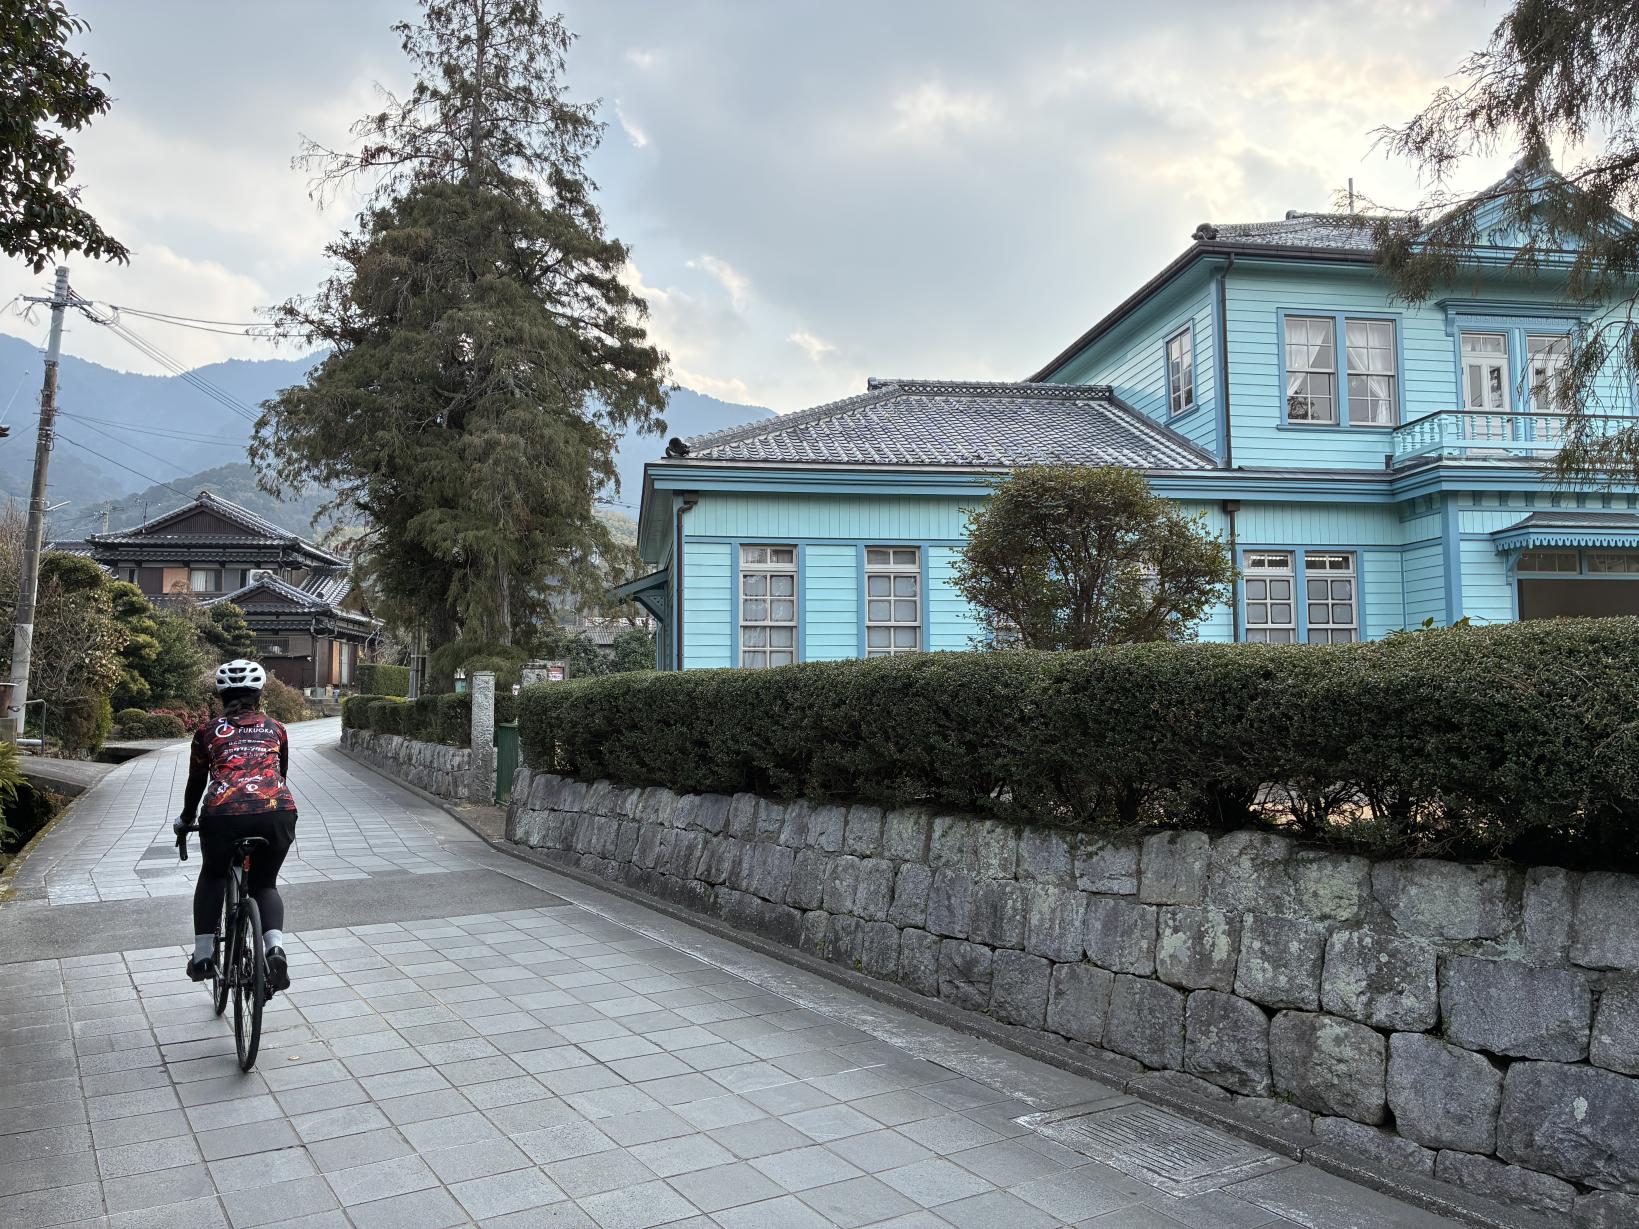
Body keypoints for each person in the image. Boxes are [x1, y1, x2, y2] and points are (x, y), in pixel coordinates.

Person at [174, 659, 297, 993]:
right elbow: (280, 774)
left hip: (223, 813)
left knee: (214, 874)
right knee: (265, 884)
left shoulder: (207, 732)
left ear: (220, 694)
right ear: (258, 694)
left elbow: (196, 780)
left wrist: (186, 819)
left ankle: (202, 955)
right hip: (276, 810)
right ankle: (275, 950)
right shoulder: (277, 728)